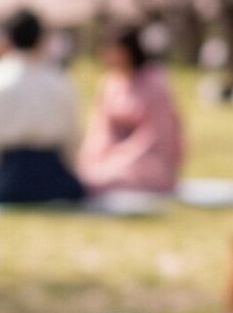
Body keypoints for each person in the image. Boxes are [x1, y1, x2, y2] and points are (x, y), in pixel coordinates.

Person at [0, 9, 85, 204]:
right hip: (53, 178)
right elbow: (73, 134)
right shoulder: (60, 80)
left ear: (7, 39)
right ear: (41, 40)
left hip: (5, 176)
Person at [77, 28, 185, 195]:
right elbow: (101, 128)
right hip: (113, 153)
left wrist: (121, 154)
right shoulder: (109, 82)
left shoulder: (155, 84)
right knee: (87, 171)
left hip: (147, 157)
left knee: (113, 175)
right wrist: (99, 152)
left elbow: (157, 134)